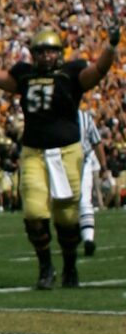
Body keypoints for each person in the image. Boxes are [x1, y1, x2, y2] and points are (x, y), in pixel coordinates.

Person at [0, 22, 119, 288]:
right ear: (33, 54)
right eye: (42, 51)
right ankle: (45, 267)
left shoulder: (71, 73)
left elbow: (99, 71)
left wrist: (111, 47)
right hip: (34, 152)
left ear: (60, 53)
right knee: (34, 212)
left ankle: (70, 265)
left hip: (68, 152)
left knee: (67, 217)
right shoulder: (24, 75)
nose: (47, 56)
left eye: (52, 51)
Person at [77, 106, 108, 256]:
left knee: (81, 201)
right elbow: (97, 142)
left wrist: (103, 165)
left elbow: (97, 142)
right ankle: (86, 236)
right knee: (82, 201)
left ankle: (88, 238)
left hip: (78, 162)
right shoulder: (84, 117)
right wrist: (103, 166)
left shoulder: (84, 118)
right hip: (73, 161)